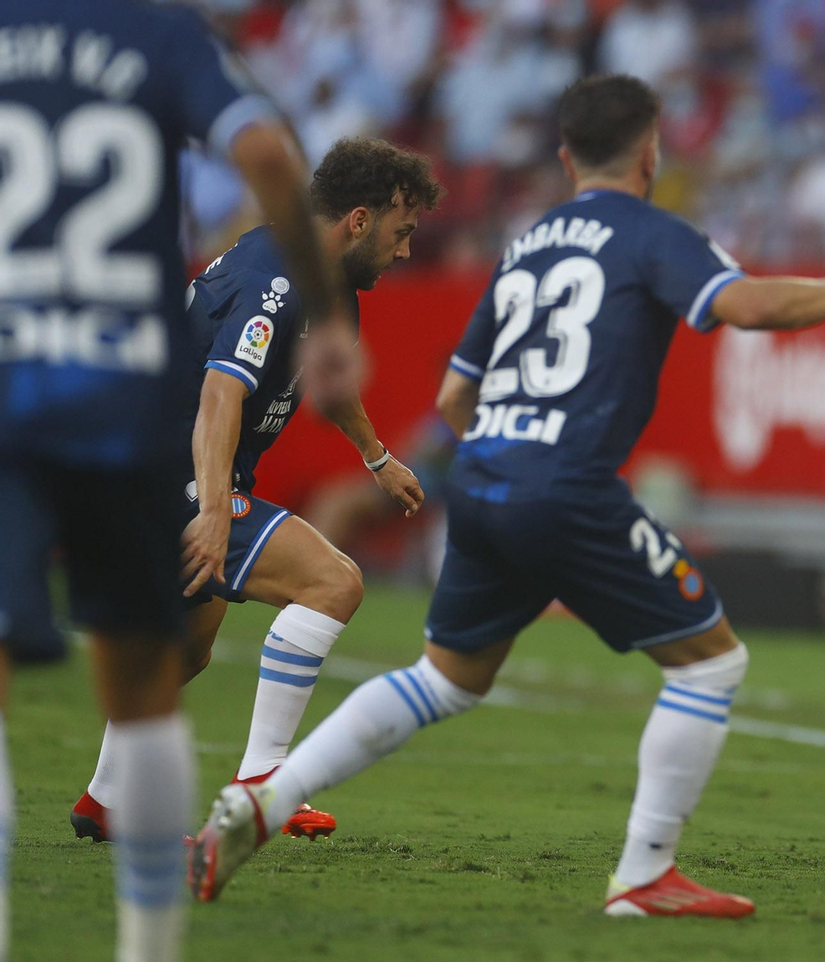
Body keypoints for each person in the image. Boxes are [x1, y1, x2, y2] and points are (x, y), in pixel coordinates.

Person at [189, 74, 825, 917]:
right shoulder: (652, 233)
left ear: (564, 155)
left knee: (446, 679)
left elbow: (452, 399)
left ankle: (262, 799)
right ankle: (645, 873)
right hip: (567, 486)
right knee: (714, 661)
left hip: (482, 482)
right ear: (651, 150)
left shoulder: (531, 239)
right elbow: (751, 304)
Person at [0, 2, 356, 959]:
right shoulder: (161, 37)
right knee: (151, 677)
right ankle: (149, 946)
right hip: (126, 392)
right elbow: (272, 156)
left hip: (9, 371)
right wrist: (321, 304)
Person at [68, 138, 442, 845]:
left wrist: (376, 457)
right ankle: (263, 782)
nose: (404, 252)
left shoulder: (322, 279)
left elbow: (328, 384)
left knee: (186, 649)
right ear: (359, 221)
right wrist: (212, 510)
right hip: (166, 470)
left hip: (179, 469)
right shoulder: (276, 277)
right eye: (402, 232)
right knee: (334, 584)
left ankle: (106, 799)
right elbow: (219, 394)